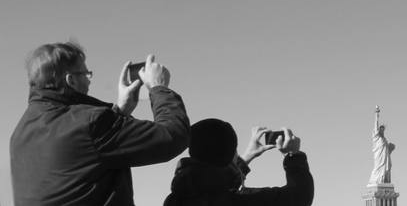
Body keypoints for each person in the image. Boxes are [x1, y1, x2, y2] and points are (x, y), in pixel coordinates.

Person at [10, 41, 190, 206]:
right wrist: (159, 88)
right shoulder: (91, 125)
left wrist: (119, 111)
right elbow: (173, 136)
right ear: (70, 80)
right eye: (85, 74)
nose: (89, 80)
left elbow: (82, 162)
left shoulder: (19, 135)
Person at [163, 118, 314, 206]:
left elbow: (212, 181)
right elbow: (299, 197)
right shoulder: (240, 201)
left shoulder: (175, 200)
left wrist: (246, 157)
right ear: (231, 154)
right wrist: (293, 154)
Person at [368, 106, 395, 185]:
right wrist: (377, 115)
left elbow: (387, 151)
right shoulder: (376, 138)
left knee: (387, 167)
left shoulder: (384, 140)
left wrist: (390, 149)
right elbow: (375, 127)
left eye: (383, 130)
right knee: (377, 168)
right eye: (381, 129)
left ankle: (384, 180)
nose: (382, 131)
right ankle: (377, 180)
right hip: (379, 158)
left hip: (385, 159)